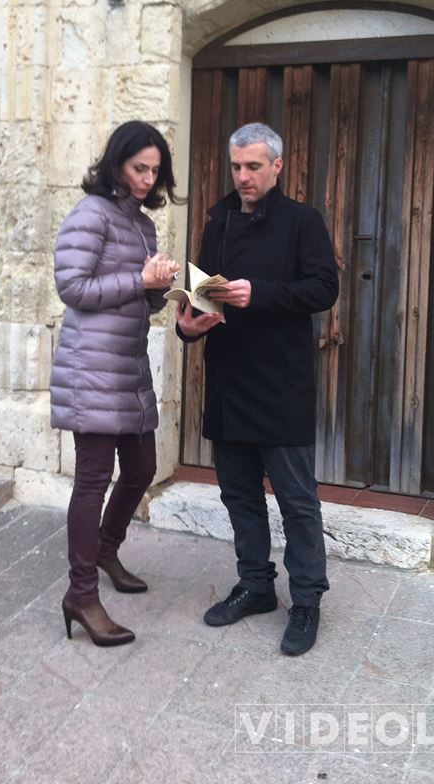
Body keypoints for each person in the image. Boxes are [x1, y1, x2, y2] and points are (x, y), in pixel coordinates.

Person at [175, 122, 339, 656]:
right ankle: (256, 585)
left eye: (253, 166)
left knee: (296, 500)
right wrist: (187, 325)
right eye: (236, 166)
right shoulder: (218, 220)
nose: (243, 176)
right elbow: (201, 298)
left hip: (282, 384)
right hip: (228, 380)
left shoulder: (302, 222)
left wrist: (260, 294)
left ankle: (307, 600)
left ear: (277, 166)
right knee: (239, 494)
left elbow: (325, 288)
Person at [50, 121, 181, 647]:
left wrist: (159, 288)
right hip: (90, 367)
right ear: (116, 165)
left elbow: (140, 300)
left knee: (143, 467)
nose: (148, 179)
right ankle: (81, 594)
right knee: (93, 478)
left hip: (127, 366)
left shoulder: (143, 225)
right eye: (139, 168)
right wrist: (139, 280)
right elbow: (72, 287)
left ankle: (106, 549)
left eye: (155, 170)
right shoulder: (91, 213)